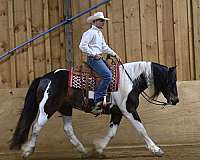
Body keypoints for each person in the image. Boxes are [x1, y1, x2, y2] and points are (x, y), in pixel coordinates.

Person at [79, 12, 121, 115]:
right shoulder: (90, 33)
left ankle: (108, 98)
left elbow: (104, 47)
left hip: (99, 58)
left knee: (113, 72)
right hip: (93, 59)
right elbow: (82, 46)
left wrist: (115, 54)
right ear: (94, 21)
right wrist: (94, 54)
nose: (103, 23)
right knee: (108, 76)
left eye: (103, 21)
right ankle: (97, 100)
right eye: (101, 20)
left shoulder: (99, 33)